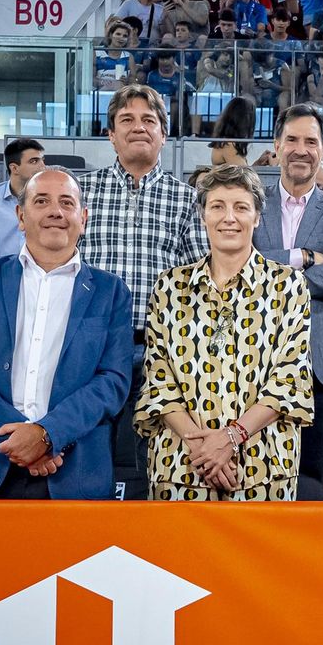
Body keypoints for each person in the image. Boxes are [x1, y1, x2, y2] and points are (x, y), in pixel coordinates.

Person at [0, 167, 133, 499]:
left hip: (72, 474)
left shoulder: (111, 292)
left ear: (82, 217)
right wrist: (18, 440)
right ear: (21, 216)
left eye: (66, 203)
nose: (56, 211)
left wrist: (47, 435)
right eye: (41, 201)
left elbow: (112, 381)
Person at [135, 164, 315, 500]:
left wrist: (231, 438)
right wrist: (204, 449)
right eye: (217, 206)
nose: (228, 217)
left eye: (241, 207)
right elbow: (158, 378)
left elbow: (289, 379)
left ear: (258, 217)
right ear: (203, 215)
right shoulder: (170, 286)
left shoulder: (288, 285)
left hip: (263, 465)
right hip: (183, 463)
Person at [77, 84, 209, 498]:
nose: (138, 127)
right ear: (110, 134)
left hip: (159, 353)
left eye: (149, 120)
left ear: (163, 135)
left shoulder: (187, 199)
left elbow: (200, 282)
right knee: (88, 451)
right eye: (127, 120)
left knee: (145, 457)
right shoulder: (80, 194)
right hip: (90, 349)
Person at [250, 105, 323, 487]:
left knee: (313, 480)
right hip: (253, 361)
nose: (301, 149)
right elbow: (238, 266)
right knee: (256, 474)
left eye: (311, 141)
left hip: (319, 366)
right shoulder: (252, 205)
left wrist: (269, 271)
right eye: (292, 140)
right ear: (276, 146)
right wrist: (302, 257)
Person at [0, 139, 47, 261]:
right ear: (14, 168)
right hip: (3, 269)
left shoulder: (51, 198)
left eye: (42, 161)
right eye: (34, 161)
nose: (43, 167)